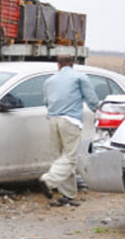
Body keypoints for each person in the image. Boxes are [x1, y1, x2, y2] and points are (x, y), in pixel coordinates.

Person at [39, 54, 99, 207]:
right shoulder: (79, 78)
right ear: (72, 64)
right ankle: (49, 180)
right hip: (71, 121)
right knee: (70, 157)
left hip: (53, 120)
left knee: (59, 157)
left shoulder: (49, 81)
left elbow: (46, 102)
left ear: (58, 65)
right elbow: (92, 100)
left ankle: (68, 194)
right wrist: (97, 112)